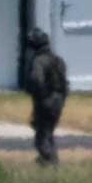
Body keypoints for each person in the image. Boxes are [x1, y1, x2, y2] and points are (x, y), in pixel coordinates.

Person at [26, 28, 69, 165]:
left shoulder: (39, 61)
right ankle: (48, 161)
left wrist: (41, 97)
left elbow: (36, 81)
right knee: (48, 134)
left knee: (42, 137)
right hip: (58, 101)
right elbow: (65, 84)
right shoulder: (58, 60)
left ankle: (50, 163)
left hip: (46, 101)